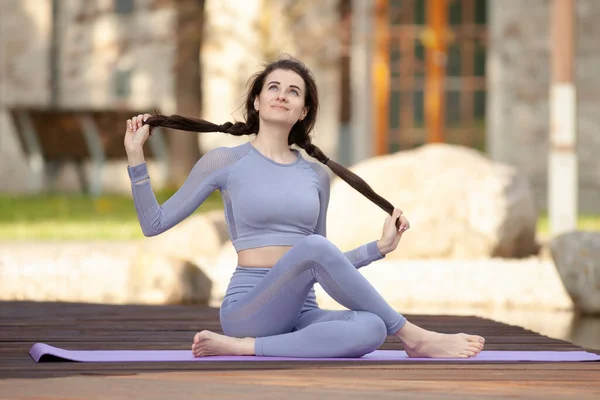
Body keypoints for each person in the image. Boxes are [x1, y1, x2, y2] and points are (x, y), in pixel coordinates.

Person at [124, 56, 485, 359]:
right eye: (274, 88)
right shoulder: (224, 161)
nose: (283, 96)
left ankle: (246, 349)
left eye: (293, 92)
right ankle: (414, 337)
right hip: (249, 309)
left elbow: (323, 264)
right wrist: (135, 158)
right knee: (312, 248)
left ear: (303, 111)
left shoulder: (315, 176)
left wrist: (379, 248)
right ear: (257, 102)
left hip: (302, 312)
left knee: (372, 328)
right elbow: (153, 223)